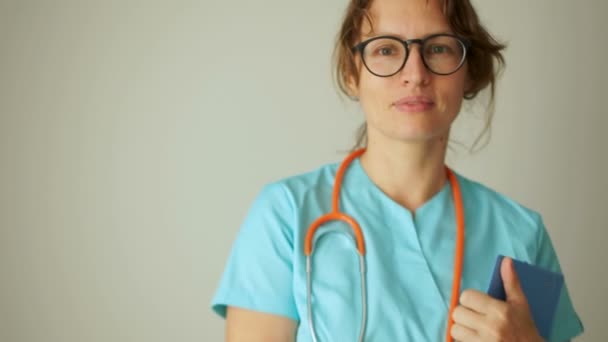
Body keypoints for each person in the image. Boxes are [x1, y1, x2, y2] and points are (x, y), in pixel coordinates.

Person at [211, 0, 584, 340]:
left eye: (438, 48)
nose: (415, 73)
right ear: (352, 73)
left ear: (469, 71)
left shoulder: (521, 233)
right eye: (387, 49)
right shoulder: (286, 215)